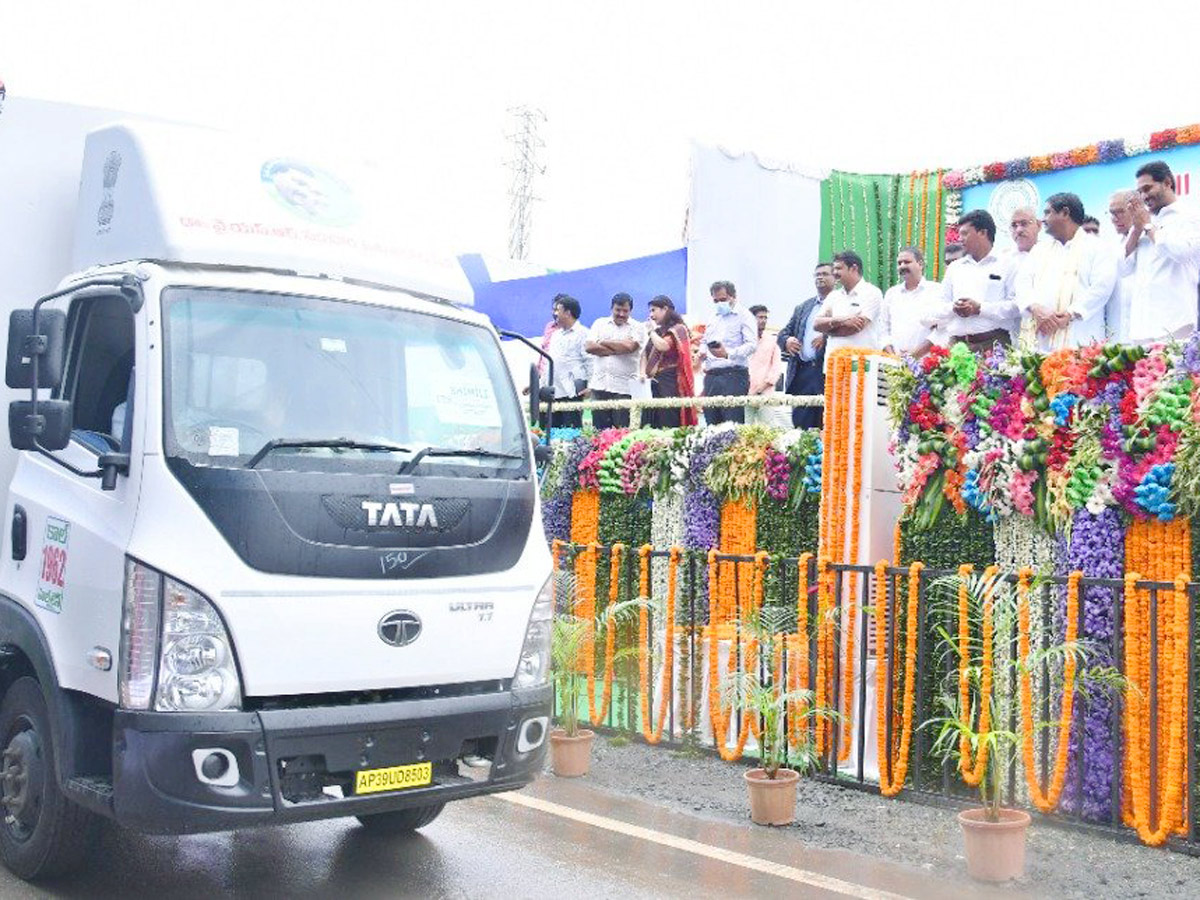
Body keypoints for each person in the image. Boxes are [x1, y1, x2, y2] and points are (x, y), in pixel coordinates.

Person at [1016, 192, 1116, 351]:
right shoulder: (1039, 250)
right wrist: (1036, 308)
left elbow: (1102, 287)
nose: (1043, 219)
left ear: (1065, 213)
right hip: (1042, 339)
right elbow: (1022, 284)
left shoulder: (1098, 248)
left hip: (1080, 338)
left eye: (1048, 212)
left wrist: (1070, 314)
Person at [1122, 161, 1200, 344]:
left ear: (1167, 182)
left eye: (1147, 188)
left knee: (1175, 373)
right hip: (1142, 325)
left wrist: (1149, 227)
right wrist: (1136, 229)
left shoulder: (1190, 216)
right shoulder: (1144, 221)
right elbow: (1123, 268)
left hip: (1176, 322)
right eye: (1140, 192)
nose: (1144, 196)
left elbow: (1182, 252)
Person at [931, 210, 1017, 351]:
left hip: (993, 345)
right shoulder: (955, 267)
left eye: (965, 233)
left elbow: (1015, 307)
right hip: (957, 346)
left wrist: (980, 308)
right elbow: (939, 305)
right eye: (960, 234)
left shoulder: (1008, 264)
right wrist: (954, 307)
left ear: (983, 233)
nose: (960, 239)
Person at [778, 262, 833, 430]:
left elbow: (847, 331)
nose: (820, 277)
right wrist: (787, 341)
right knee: (801, 426)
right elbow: (783, 333)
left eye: (825, 274)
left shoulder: (841, 303)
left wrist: (826, 337)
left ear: (835, 278)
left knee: (825, 424)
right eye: (817, 274)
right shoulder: (803, 307)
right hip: (802, 373)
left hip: (825, 373)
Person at [698, 280, 758, 425]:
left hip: (734, 375)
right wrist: (702, 352)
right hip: (711, 375)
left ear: (733, 296)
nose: (719, 303)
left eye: (723, 300)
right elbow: (704, 340)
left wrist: (728, 354)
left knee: (732, 423)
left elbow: (751, 345)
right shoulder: (713, 316)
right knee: (711, 423)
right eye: (715, 301)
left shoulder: (744, 315)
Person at [585, 293, 645, 430]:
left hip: (624, 388)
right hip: (600, 385)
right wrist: (618, 349)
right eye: (618, 310)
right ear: (612, 308)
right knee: (599, 432)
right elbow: (589, 347)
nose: (621, 314)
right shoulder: (599, 323)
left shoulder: (638, 327)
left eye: (625, 311)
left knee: (622, 431)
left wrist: (604, 342)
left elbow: (630, 347)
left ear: (631, 311)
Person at [813, 250, 883, 367]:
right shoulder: (834, 295)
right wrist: (842, 320)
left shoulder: (872, 293)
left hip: (861, 365)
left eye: (839, 268)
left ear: (853, 268)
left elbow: (854, 328)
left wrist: (828, 330)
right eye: (834, 269)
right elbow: (816, 324)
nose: (835, 273)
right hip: (834, 364)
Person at [642, 296, 697, 428]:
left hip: (671, 381)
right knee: (652, 419)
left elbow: (663, 346)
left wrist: (650, 331)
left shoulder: (679, 329)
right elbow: (644, 354)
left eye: (653, 310)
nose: (651, 315)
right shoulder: (658, 332)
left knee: (668, 417)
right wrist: (642, 374)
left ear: (665, 309)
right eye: (650, 311)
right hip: (653, 382)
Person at [879, 246, 943, 357]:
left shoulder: (936, 291)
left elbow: (941, 329)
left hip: (926, 363)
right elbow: (883, 329)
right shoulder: (892, 294)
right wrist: (893, 356)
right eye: (899, 263)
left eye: (907, 262)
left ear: (920, 264)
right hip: (895, 364)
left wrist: (914, 354)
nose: (902, 266)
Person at [545, 295, 590, 429]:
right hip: (554, 391)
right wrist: (538, 384)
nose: (555, 314)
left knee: (572, 431)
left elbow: (590, 361)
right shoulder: (555, 335)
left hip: (572, 391)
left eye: (558, 310)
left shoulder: (584, 333)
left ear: (568, 313)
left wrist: (591, 385)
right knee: (552, 432)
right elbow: (550, 363)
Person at [746, 304, 786, 426]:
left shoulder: (771, 340)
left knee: (767, 429)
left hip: (766, 392)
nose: (763, 320)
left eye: (765, 318)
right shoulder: (743, 340)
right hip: (744, 392)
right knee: (744, 429)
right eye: (759, 317)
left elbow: (776, 367)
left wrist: (763, 386)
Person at [1106, 190, 1137, 341]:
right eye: (1112, 213)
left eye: (1120, 212)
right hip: (1116, 331)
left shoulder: (1151, 237)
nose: (1114, 218)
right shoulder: (1109, 245)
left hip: (1148, 329)